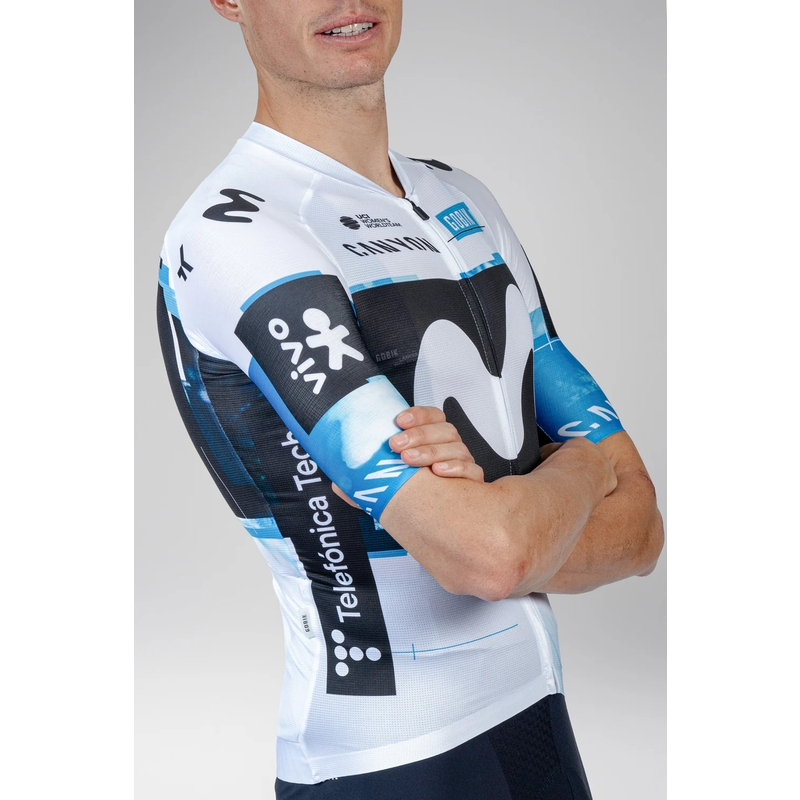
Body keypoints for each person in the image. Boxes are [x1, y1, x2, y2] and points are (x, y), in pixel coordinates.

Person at [155, 1, 663, 797]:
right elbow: (489, 555)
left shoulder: (466, 202)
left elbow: (642, 531)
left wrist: (499, 520)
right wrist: (582, 470)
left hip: (537, 726)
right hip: (385, 760)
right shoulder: (237, 230)